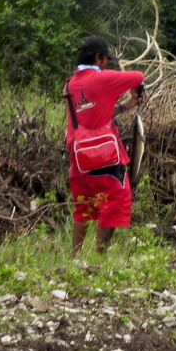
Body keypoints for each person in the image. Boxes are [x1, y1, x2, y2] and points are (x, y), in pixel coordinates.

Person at [65, 36, 144, 254]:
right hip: (105, 157)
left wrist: (126, 106)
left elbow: (92, 117)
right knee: (117, 201)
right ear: (98, 58)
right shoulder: (101, 79)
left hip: (79, 158)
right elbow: (138, 75)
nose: (106, 63)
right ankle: (99, 255)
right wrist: (137, 88)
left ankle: (75, 254)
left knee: (83, 207)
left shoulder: (71, 84)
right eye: (105, 59)